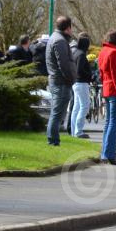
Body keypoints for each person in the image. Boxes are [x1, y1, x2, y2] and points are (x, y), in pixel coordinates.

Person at [45, 17, 76, 146]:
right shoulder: (60, 41)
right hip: (61, 82)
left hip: (58, 81)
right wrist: (70, 78)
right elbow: (63, 64)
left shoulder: (55, 38)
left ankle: (53, 139)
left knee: (57, 113)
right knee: (57, 114)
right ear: (68, 28)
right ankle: (53, 141)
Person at [99, 30, 116, 164]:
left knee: (109, 122)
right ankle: (109, 154)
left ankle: (105, 153)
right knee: (113, 124)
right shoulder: (115, 52)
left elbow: (101, 72)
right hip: (114, 91)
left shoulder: (104, 51)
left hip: (106, 89)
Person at [70, 32, 93, 139]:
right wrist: (90, 75)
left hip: (75, 82)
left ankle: (74, 131)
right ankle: (78, 131)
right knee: (84, 106)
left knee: (76, 107)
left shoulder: (75, 53)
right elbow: (80, 70)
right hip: (81, 82)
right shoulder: (82, 55)